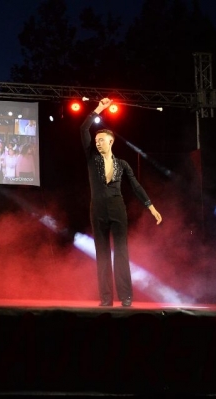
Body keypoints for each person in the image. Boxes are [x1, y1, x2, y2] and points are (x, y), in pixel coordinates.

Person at [80, 98, 162, 307]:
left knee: (121, 254)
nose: (97, 143)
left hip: (117, 209)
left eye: (101, 140)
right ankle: (106, 298)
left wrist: (151, 207)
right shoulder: (92, 158)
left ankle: (126, 296)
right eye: (96, 140)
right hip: (97, 209)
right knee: (103, 255)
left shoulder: (122, 164)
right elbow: (83, 129)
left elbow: (135, 186)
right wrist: (99, 109)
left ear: (111, 141)